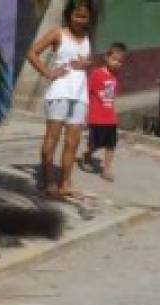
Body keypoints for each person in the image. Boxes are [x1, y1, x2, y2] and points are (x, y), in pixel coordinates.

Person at [27, 0, 96, 199]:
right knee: (52, 138)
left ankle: (65, 183)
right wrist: (49, 73)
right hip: (60, 93)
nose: (80, 20)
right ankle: (47, 182)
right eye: (76, 16)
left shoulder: (87, 37)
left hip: (80, 95)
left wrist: (85, 64)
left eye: (84, 17)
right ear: (69, 15)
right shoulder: (58, 33)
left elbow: (83, 63)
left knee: (73, 142)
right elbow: (32, 53)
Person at [83, 42, 127, 182]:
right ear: (106, 58)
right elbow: (88, 93)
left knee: (111, 144)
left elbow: (113, 96)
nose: (116, 63)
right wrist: (86, 112)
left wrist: (114, 113)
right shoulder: (97, 74)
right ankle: (87, 155)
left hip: (110, 117)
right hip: (97, 116)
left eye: (120, 61)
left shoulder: (116, 76)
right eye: (114, 59)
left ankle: (106, 170)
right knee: (95, 143)